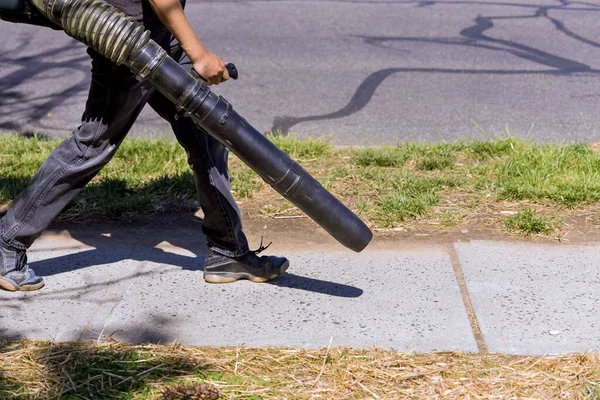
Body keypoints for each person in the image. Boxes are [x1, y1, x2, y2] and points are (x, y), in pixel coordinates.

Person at [0, 0, 289, 292]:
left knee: (205, 129)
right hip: (128, 39)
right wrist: (198, 54)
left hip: (161, 35)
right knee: (92, 147)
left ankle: (229, 251)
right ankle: (7, 242)